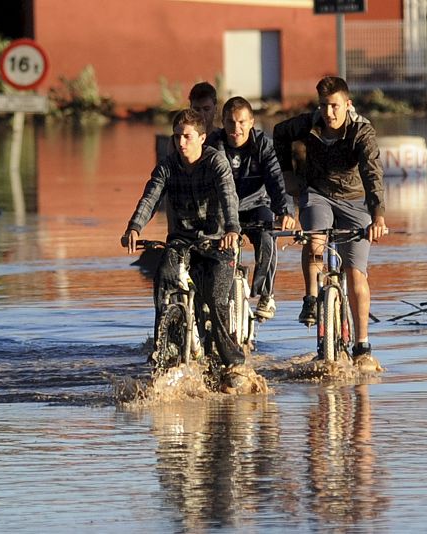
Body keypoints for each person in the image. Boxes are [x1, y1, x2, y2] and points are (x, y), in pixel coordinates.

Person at [273, 76, 387, 360]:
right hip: (317, 194)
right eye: (324, 106)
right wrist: (288, 175)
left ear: (347, 105)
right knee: (315, 241)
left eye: (335, 106)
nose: (329, 113)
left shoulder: (361, 132)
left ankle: (362, 345)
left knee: (355, 273)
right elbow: (279, 133)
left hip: (355, 202)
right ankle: (311, 298)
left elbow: (373, 173)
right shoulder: (308, 123)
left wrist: (378, 216)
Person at [121, 108, 245, 368]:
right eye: (177, 137)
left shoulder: (216, 162)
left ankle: (234, 364)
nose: (180, 143)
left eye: (187, 137)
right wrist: (134, 227)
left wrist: (232, 229)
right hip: (181, 241)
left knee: (215, 298)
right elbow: (150, 198)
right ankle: (162, 348)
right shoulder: (167, 166)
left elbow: (228, 197)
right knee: (163, 279)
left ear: (202, 138)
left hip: (217, 241)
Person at [206, 96, 296, 320]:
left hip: (257, 204)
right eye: (230, 122)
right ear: (223, 122)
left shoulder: (263, 144)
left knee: (268, 236)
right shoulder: (213, 144)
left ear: (251, 122)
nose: (236, 128)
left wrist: (285, 211)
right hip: (224, 209)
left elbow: (276, 179)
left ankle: (266, 294)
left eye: (241, 122)